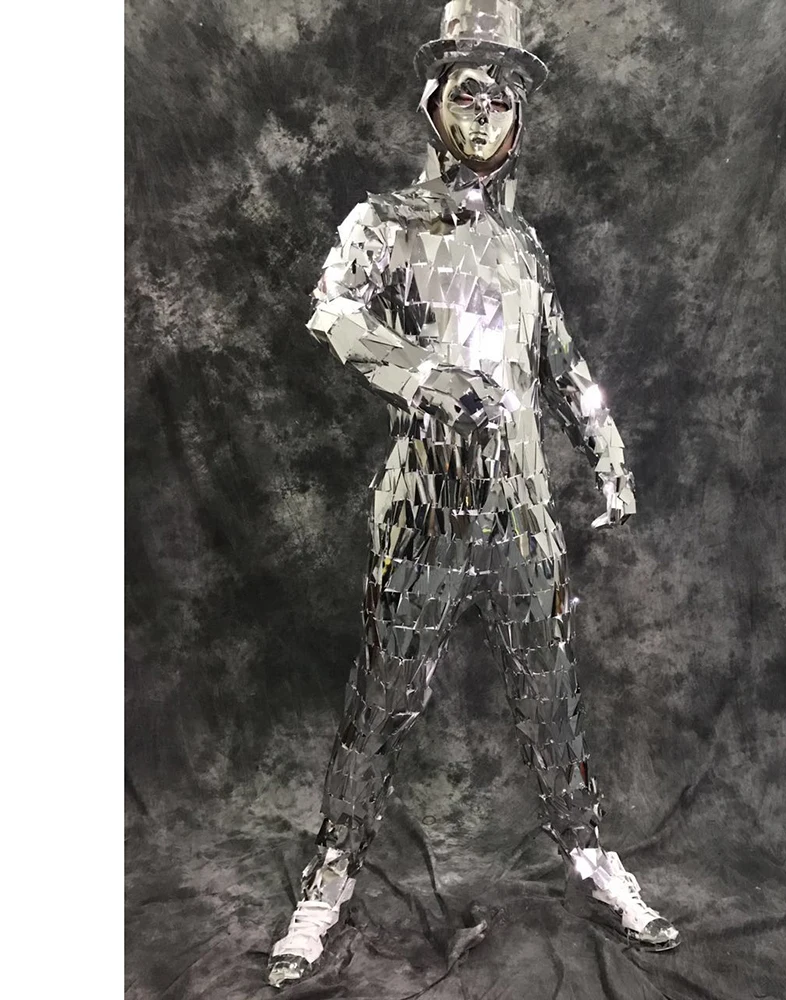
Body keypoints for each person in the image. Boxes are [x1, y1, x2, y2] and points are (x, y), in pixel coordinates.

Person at [267, 1, 680, 987]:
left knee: (551, 695)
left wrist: (607, 448)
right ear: (434, 104)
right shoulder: (382, 221)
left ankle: (590, 854)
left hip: (523, 509)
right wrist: (420, 375)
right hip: (423, 508)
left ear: (519, 117)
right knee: (384, 695)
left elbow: (564, 360)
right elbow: (332, 312)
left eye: (503, 98)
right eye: (469, 94)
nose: (487, 112)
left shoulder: (523, 244)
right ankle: (331, 872)